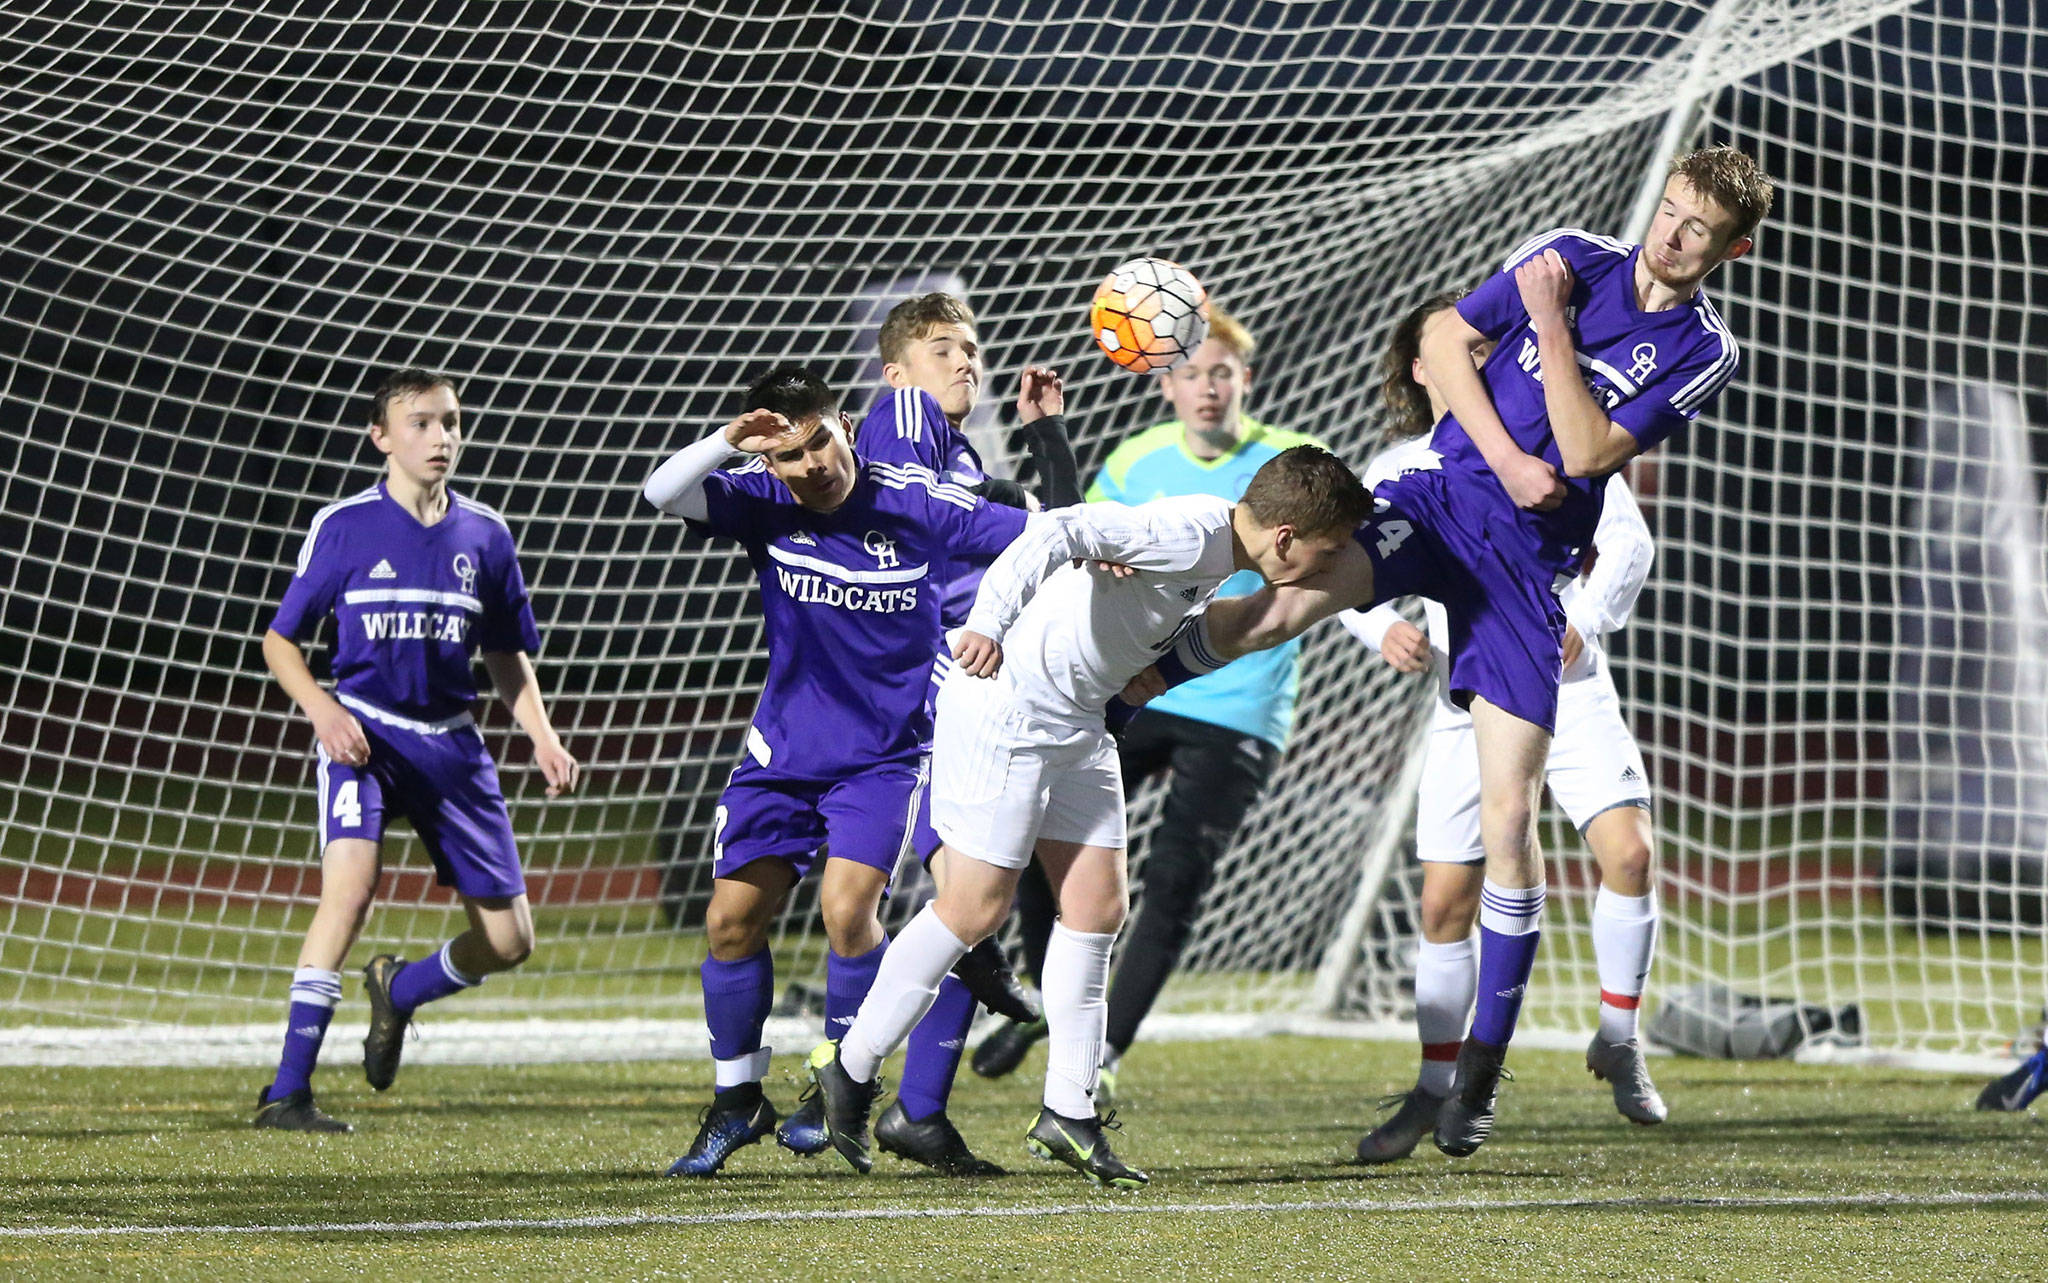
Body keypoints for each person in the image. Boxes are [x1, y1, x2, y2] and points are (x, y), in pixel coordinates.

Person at [1119, 145, 1772, 1157]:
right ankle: (1135, 684)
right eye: (1671, 211)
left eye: (1698, 230)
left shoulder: (1700, 347)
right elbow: (1440, 334)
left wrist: (1547, 327)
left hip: (1527, 575)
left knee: (1510, 822)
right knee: (1286, 594)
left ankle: (1477, 1076)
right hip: (1438, 499)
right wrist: (1509, 453)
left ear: (1729, 249)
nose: (1672, 236)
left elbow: (1593, 452)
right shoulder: (1569, 250)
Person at [809, 446, 1372, 1188]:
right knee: (974, 907)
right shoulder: (1189, 530)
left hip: (1077, 722)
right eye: (1326, 551)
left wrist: (1149, 676)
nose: (1326, 566)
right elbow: (1059, 530)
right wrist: (988, 620)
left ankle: (1067, 1110)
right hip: (1010, 706)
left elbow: (1189, 628)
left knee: (1099, 905)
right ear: (1287, 537)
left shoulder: (1219, 554)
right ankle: (848, 1070)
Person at [642, 366, 1030, 1176]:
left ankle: (837, 1082)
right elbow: (661, 492)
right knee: (729, 922)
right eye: (790, 455)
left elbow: (1035, 528)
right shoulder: (763, 500)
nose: (812, 464)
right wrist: (728, 443)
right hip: (782, 755)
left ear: (844, 425)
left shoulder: (913, 499)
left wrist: (1126, 547)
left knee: (847, 910)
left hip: (885, 757)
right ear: (769, 461)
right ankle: (737, 1101)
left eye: (819, 440)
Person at [1339, 295, 1667, 1165]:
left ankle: (1619, 1036)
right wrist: (1382, 627)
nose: (1473, 355)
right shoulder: (1402, 463)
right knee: (1444, 903)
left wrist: (1585, 619)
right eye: (1451, 348)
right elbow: (1342, 563)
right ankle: (1434, 1084)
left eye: (1483, 345)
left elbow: (1627, 543)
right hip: (1466, 702)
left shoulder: (1555, 427)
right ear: (1421, 367)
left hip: (1571, 684)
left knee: (1629, 853)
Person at [973, 306, 1326, 1102]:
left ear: (1247, 379)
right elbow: (1074, 530)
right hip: (1138, 687)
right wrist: (1056, 452)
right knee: (1038, 830)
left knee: (1173, 879)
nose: (1208, 388)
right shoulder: (1137, 461)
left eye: (1222, 372)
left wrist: (1381, 632)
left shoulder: (1288, 466)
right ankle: (1043, 999)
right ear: (1165, 382)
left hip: (1238, 705)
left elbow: (1337, 567)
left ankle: (1101, 1051)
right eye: (1193, 372)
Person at [255, 367, 580, 1133]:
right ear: (381, 436)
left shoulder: (486, 536)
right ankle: (287, 1090)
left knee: (509, 941)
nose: (440, 438)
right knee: (351, 889)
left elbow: (505, 653)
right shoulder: (344, 526)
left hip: (453, 747)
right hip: (363, 734)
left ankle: (398, 992)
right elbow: (279, 642)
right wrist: (322, 710)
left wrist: (541, 733)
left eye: (450, 422)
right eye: (421, 423)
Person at [820, 291, 1079, 1163]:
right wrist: (1025, 512)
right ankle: (837, 1085)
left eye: (971, 347)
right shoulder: (900, 416)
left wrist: (1044, 440)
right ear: (896, 371)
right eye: (942, 348)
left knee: (969, 907)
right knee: (925, 910)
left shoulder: (957, 451)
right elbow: (919, 511)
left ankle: (913, 1107)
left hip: (959, 703)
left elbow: (1063, 543)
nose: (966, 361)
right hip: (920, 702)